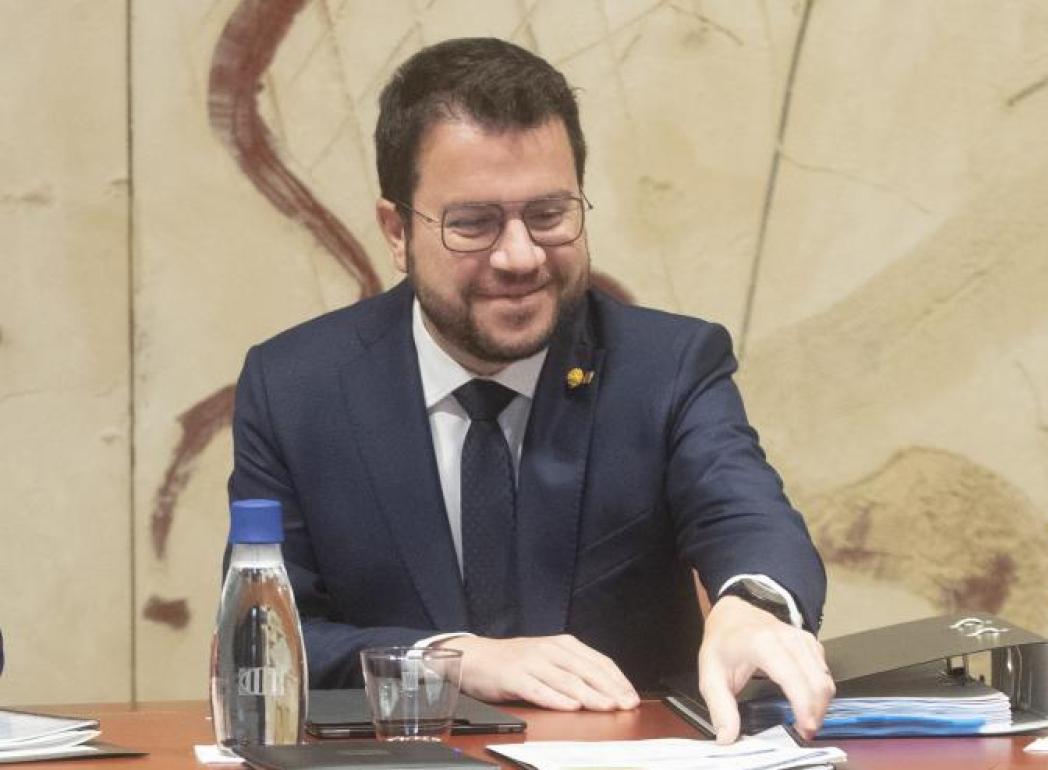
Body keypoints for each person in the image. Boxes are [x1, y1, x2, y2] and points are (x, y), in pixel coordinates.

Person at [228, 37, 832, 743]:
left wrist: (753, 607)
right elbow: (267, 637)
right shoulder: (297, 389)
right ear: (396, 231)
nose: (520, 257)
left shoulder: (666, 368)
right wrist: (452, 660)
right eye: (473, 224)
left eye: (548, 215)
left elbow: (746, 516)